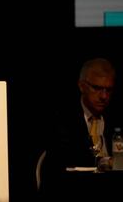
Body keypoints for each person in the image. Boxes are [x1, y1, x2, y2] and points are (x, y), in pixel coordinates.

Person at [39, 57, 118, 199]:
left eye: (109, 90)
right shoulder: (61, 120)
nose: (104, 96)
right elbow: (60, 170)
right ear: (82, 86)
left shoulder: (116, 119)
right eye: (97, 88)